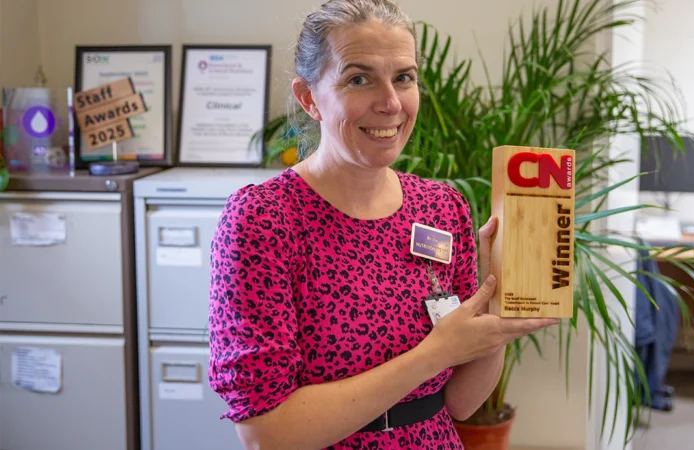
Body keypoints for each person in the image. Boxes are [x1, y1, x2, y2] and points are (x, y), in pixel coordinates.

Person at [207, 1, 558, 448]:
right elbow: (267, 435)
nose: (390, 102)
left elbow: (460, 403)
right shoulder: (262, 221)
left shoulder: (441, 207)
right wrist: (435, 353)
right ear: (308, 98)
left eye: (404, 78)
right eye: (359, 79)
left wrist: (500, 308)